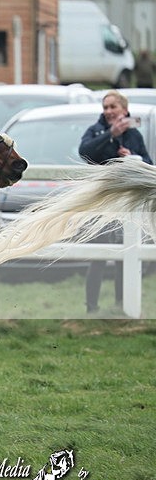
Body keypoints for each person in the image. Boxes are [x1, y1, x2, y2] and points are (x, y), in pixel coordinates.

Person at [78, 90, 152, 313]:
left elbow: (148, 163)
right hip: (100, 204)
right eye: (105, 107)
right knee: (98, 256)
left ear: (124, 110)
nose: (108, 111)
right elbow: (85, 152)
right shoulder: (95, 130)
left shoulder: (134, 135)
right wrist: (110, 134)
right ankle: (91, 308)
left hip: (126, 204)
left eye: (113, 107)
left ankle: (121, 305)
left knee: (125, 254)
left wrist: (133, 158)